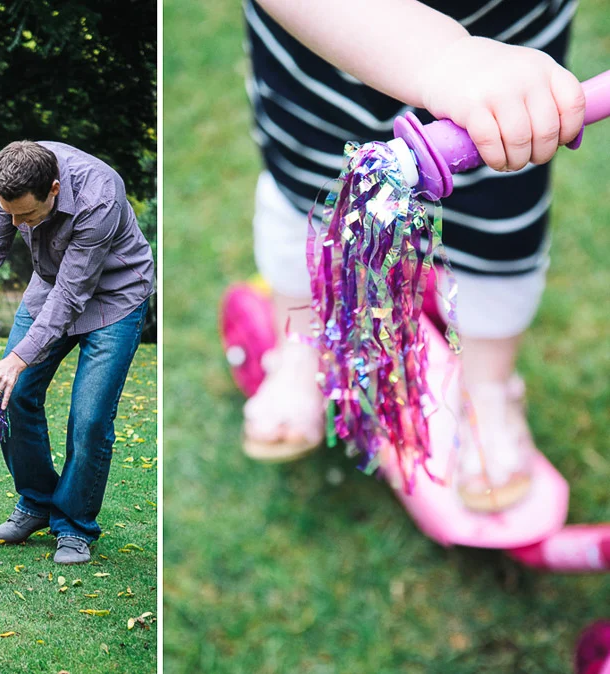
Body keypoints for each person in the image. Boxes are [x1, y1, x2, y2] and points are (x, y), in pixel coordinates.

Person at [241, 0, 584, 511]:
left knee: (499, 218)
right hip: (319, 50)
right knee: (310, 198)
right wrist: (447, 61)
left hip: (509, 49)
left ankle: (487, 391)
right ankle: (304, 349)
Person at [0, 140, 154, 564]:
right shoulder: (11, 178)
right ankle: (36, 502)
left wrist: (17, 358)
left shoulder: (99, 195)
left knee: (89, 420)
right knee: (8, 396)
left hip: (115, 299)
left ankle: (74, 524)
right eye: (9, 212)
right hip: (50, 286)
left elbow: (72, 294)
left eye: (25, 216)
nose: (16, 223)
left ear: (52, 189)